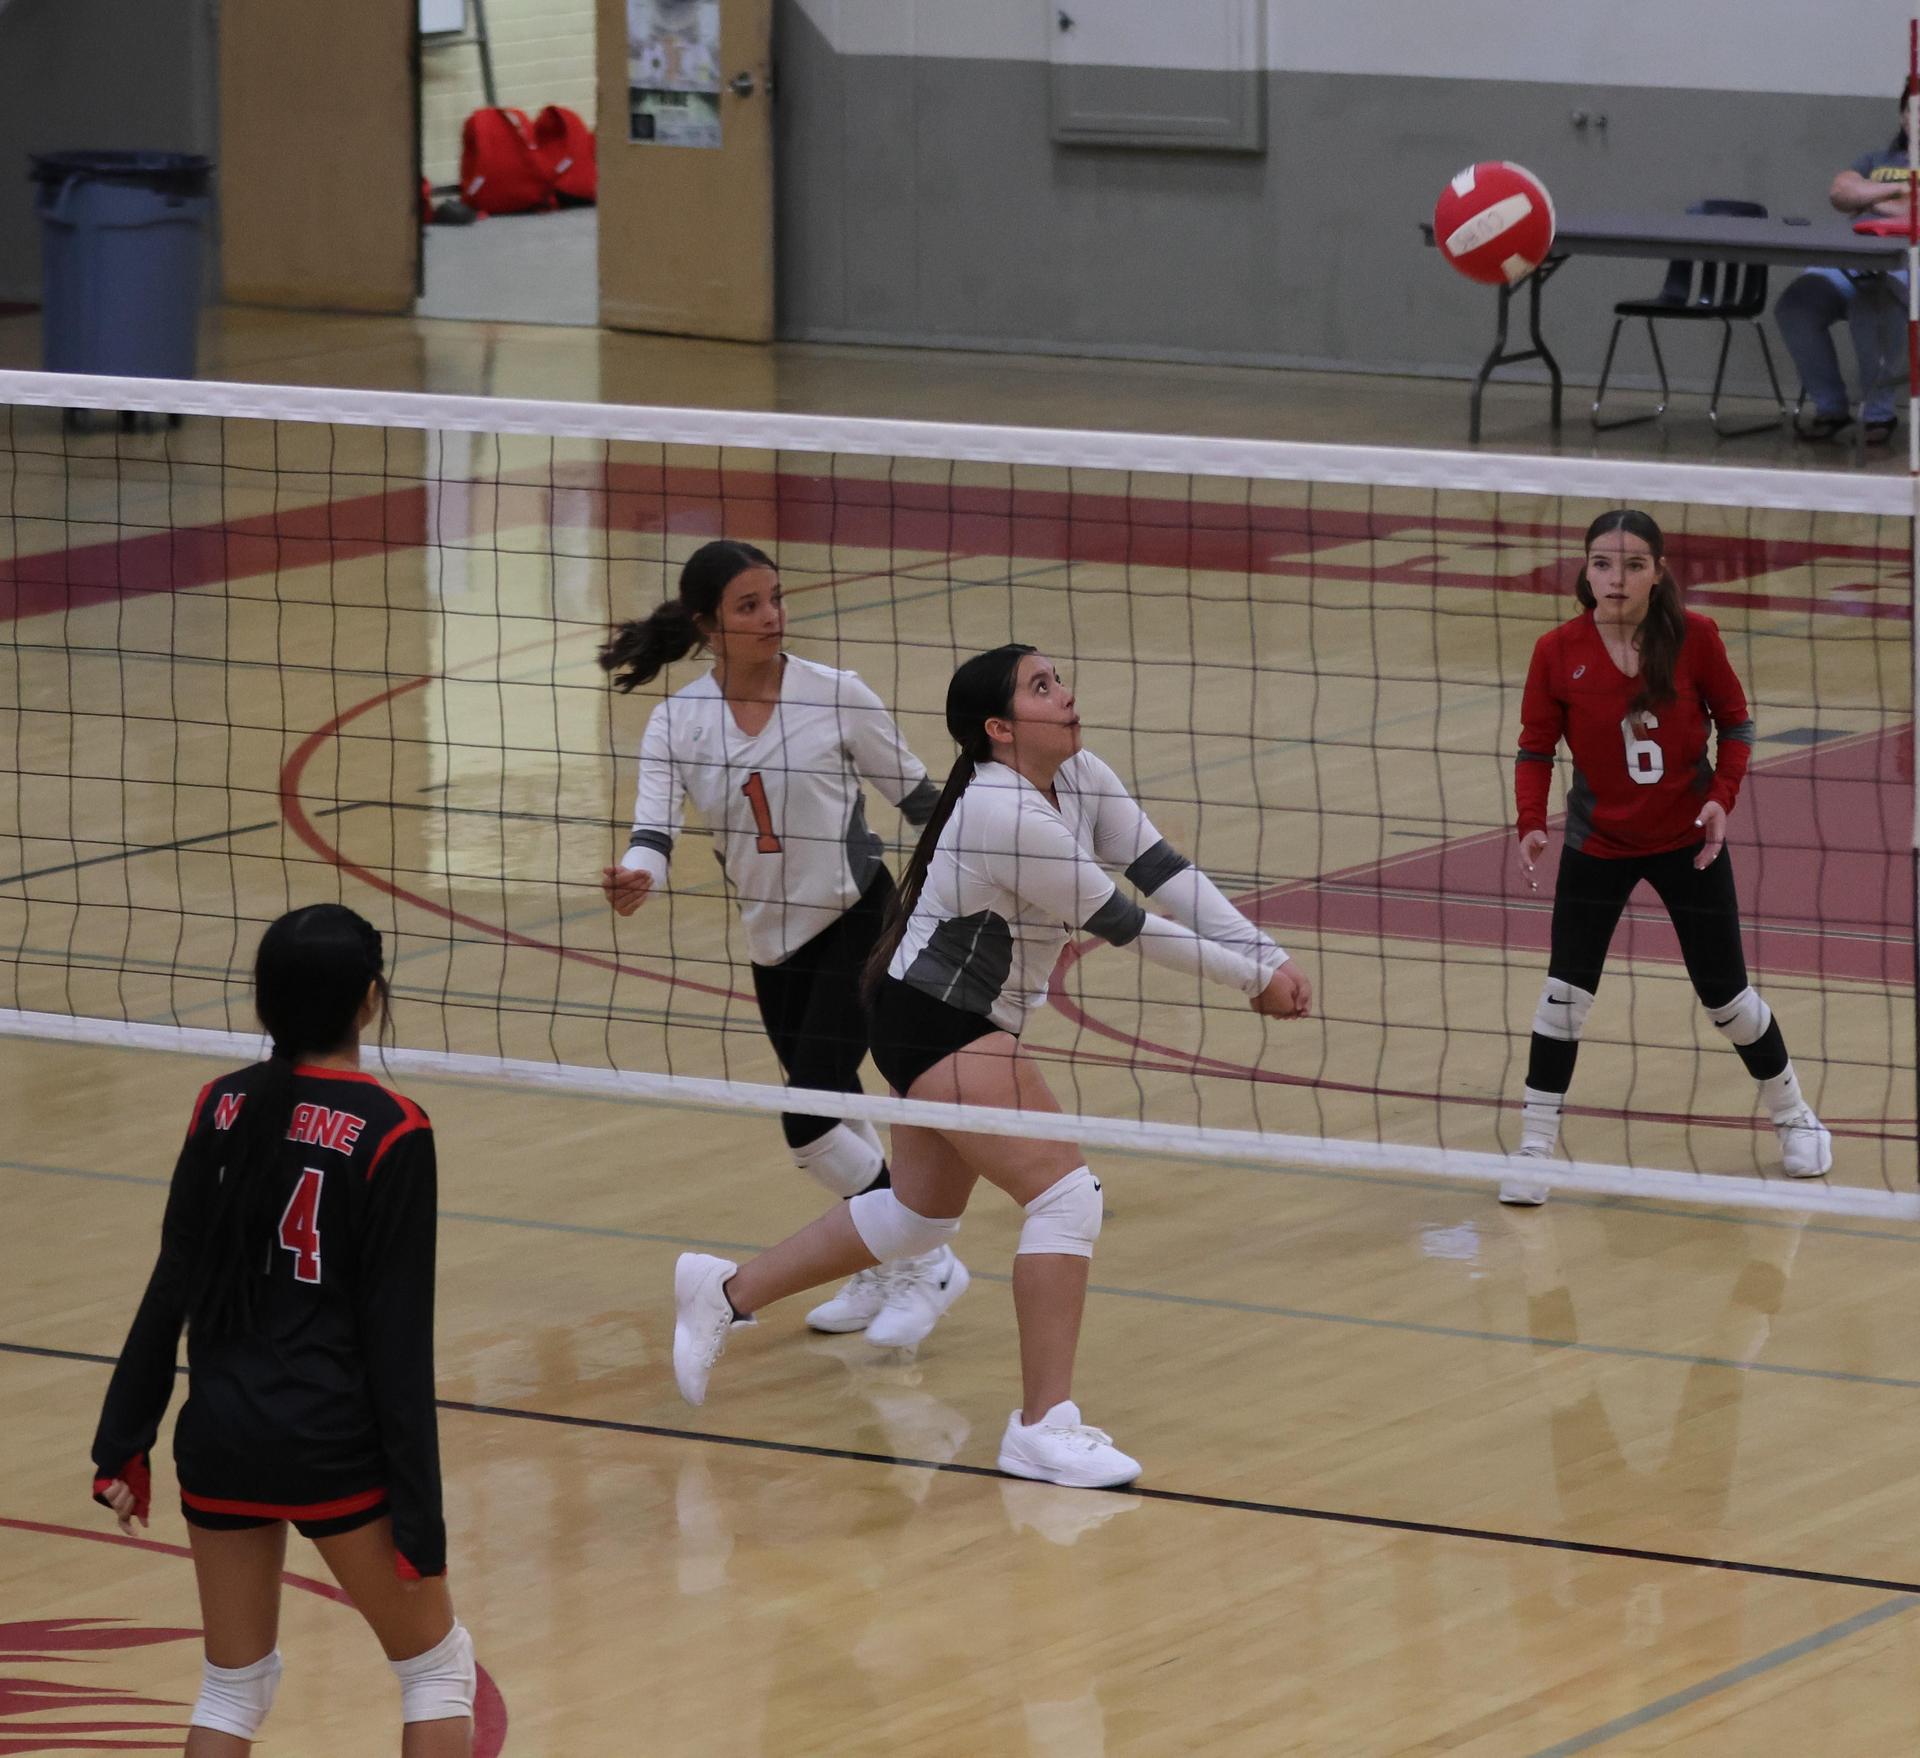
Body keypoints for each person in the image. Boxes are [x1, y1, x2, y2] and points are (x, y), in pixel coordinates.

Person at [666, 644, 1313, 1486]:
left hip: (939, 1013)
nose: (1066, 695)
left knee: (915, 1219)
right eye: (1042, 688)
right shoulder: (1004, 809)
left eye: (1059, 679)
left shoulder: (1079, 776)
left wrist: (1267, 953)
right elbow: (1124, 922)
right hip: (937, 1019)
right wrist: (1253, 980)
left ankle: (723, 1293)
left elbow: (1165, 873)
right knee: (1064, 1195)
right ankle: (1044, 1426)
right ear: (1001, 729)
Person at [89, 904, 475, 1757]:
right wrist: (420, 1519)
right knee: (438, 1672)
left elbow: (170, 1285)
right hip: (331, 1443)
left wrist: (123, 1438)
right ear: (370, 1000)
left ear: (263, 1003)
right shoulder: (392, 1130)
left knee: (233, 1688)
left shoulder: (217, 1105)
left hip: (219, 1436)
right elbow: (398, 1344)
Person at [598, 539, 966, 1349]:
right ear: (707, 626)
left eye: (776, 598)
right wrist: (635, 875)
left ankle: (925, 1257)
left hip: (857, 920)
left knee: (808, 1113)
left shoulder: (837, 695)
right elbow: (652, 833)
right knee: (834, 1113)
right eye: (748, 606)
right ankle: (885, 1260)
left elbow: (919, 799)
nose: (772, 617)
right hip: (772, 941)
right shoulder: (678, 720)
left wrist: (986, 864)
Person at [1504, 509, 1831, 1206]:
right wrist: (1532, 820)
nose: (1613, 579)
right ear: (1583, 570)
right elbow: (1535, 748)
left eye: (1630, 565)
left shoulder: (1696, 639)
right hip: (1597, 845)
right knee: (1563, 998)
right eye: (1600, 564)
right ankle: (1533, 1149)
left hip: (1688, 843)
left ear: (1659, 572)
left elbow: (1737, 723)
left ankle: (1795, 1115)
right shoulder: (1557, 650)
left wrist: (1723, 797)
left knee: (1728, 1001)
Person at [1775, 85, 1916, 445]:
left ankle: (1879, 415)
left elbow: (1907, 213)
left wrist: (1868, 197)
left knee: (1871, 302)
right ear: (1902, 117)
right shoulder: (1874, 160)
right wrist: (1895, 193)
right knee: (1797, 303)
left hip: (1905, 267)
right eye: (1913, 110)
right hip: (1851, 262)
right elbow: (1841, 192)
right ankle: (1831, 409)